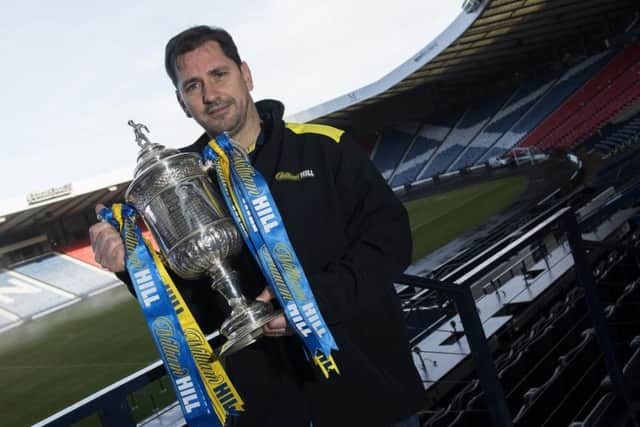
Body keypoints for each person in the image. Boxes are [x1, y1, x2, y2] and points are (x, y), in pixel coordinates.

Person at [89, 25, 425, 427]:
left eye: (219, 74)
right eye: (192, 86)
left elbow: (391, 244)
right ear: (182, 103)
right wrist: (133, 267)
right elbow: (197, 309)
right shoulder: (183, 187)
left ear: (245, 75)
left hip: (368, 395)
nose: (210, 95)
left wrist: (309, 300)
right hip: (269, 410)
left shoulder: (323, 147)